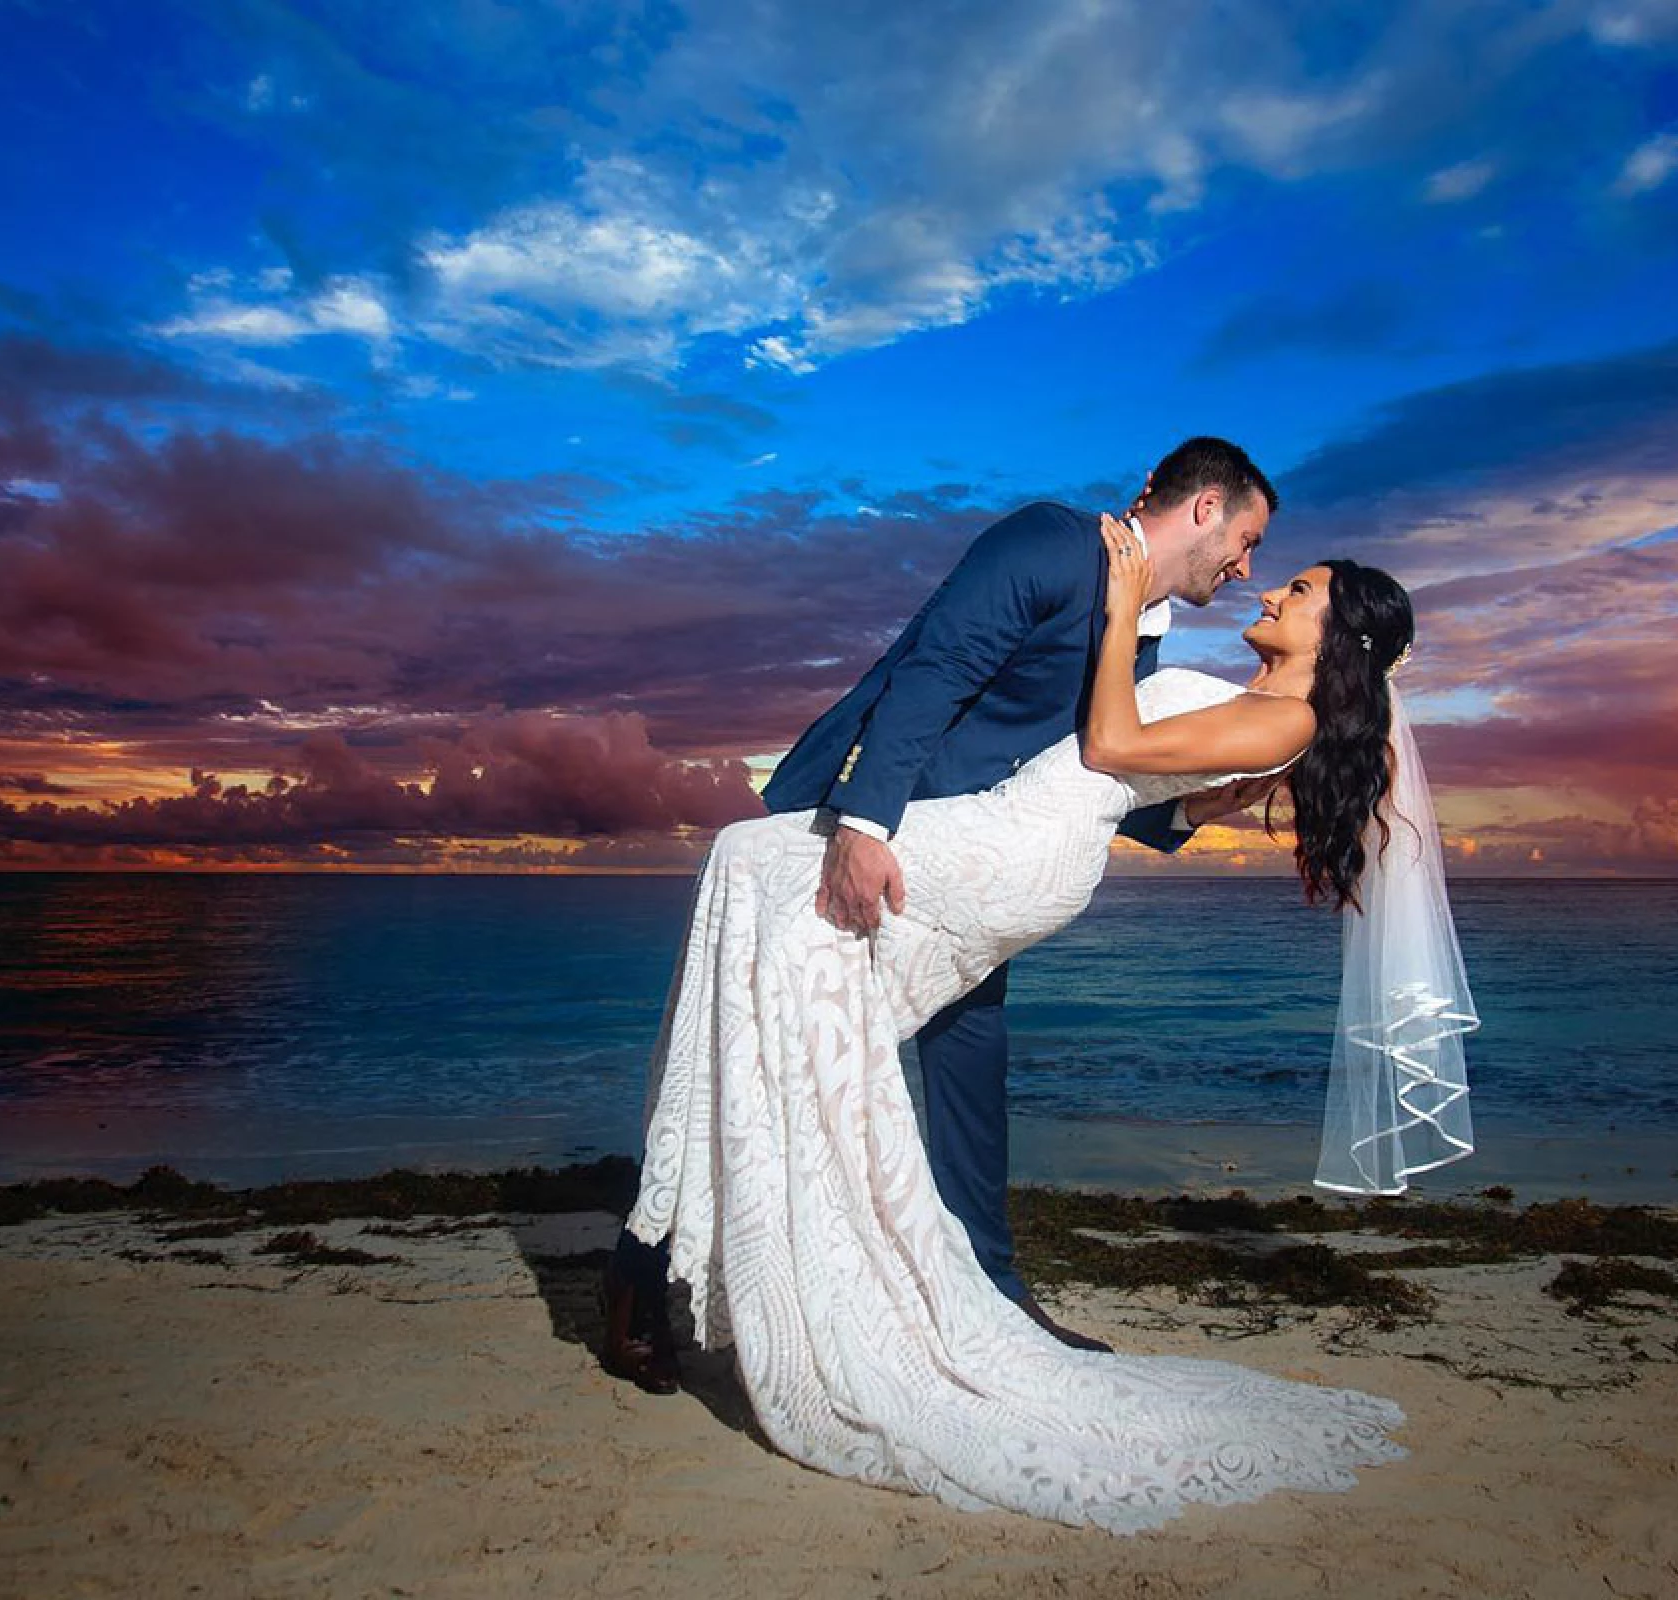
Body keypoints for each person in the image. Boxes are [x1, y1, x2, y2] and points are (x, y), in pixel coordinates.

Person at [601, 491, 1477, 1530]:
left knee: (746, 861)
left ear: (1337, 635)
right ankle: (673, 1250)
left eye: (1298, 588)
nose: (1269, 582)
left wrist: (1119, 607)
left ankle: (689, 1263)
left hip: (1015, 852)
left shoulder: (1283, 714)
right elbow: (1152, 790)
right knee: (773, 984)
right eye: (1262, 557)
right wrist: (1197, 799)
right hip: (1015, 836)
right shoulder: (1259, 707)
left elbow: (1104, 746)